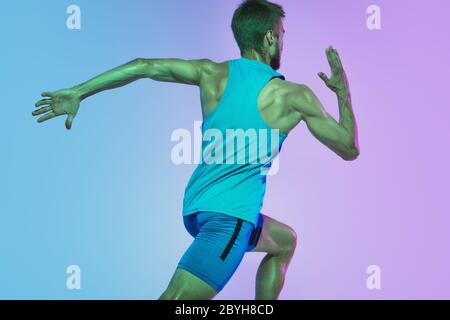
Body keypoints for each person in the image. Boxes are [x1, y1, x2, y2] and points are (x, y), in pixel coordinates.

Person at [32, 0, 359, 300]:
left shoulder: (211, 74)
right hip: (230, 219)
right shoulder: (293, 95)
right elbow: (348, 148)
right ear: (271, 38)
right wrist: (342, 93)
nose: (283, 41)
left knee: (284, 241)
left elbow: (145, 65)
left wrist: (79, 92)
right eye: (282, 34)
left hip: (197, 210)